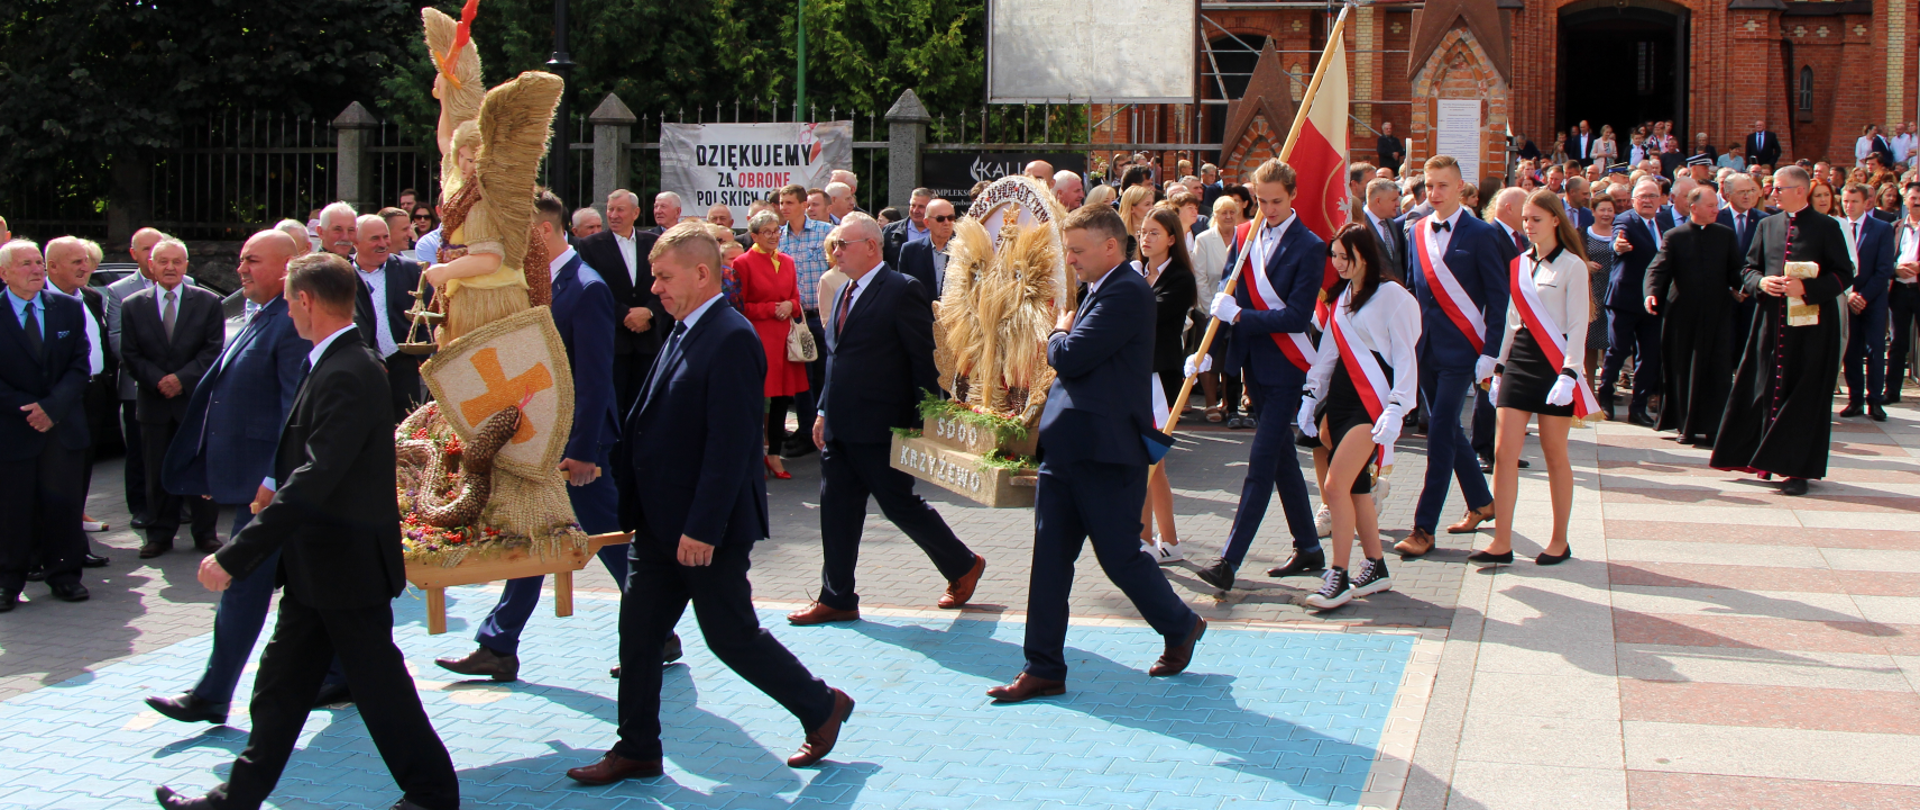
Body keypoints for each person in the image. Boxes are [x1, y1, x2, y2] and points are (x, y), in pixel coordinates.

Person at [156, 253, 460, 810]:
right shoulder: (332, 361)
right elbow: (310, 458)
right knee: (280, 688)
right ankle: (236, 798)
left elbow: (319, 475)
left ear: (306, 301)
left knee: (379, 688)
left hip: (344, 567)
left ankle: (433, 793)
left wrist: (236, 553)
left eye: (290, 299)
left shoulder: (350, 369)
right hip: (318, 568)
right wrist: (273, 481)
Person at [569, 224, 854, 785]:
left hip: (704, 529)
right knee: (639, 633)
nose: (654, 289)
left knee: (730, 635)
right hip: (658, 526)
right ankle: (637, 749)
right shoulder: (683, 329)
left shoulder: (729, 337)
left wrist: (701, 528)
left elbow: (731, 447)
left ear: (702, 274)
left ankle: (821, 706)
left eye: (664, 277)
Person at [985, 205, 1204, 704]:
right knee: (1050, 562)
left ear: (1111, 246)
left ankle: (1181, 624)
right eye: (1069, 249)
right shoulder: (1100, 288)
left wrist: (1057, 332)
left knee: (1120, 557)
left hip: (1107, 453)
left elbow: (1072, 356)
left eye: (1078, 250)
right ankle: (1042, 667)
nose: (1071, 259)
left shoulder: (1127, 292)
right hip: (1067, 448)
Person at [146, 229, 353, 723]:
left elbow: (293, 411)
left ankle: (214, 694)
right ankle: (341, 672)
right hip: (266, 487)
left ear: (288, 268)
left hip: (274, 490)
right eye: (239, 259)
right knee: (312, 590)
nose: (240, 269)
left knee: (244, 584)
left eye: (252, 261)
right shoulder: (260, 314)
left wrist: (269, 479)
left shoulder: (292, 323)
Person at [786, 213, 985, 626]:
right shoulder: (843, 291)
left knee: (899, 505)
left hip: (882, 425)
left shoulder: (900, 289)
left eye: (844, 244)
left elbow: (923, 361)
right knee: (836, 509)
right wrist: (822, 410)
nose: (835, 251)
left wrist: (920, 420)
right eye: (835, 245)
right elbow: (837, 361)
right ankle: (837, 596)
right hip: (841, 425)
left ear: (872, 247)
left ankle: (963, 565)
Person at [1196, 159, 1328, 590]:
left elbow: (1295, 316)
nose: (1268, 208)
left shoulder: (1309, 245)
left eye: (1277, 201)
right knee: (1283, 460)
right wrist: (1218, 316)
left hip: (1288, 365)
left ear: (1292, 195)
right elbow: (1229, 287)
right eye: (1262, 200)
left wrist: (1242, 317)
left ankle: (1228, 561)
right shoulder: (1248, 233)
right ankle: (1308, 547)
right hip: (1253, 363)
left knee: (1260, 463)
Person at [1294, 224, 1418, 609]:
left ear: (1364, 254)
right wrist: (1310, 396)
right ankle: (1376, 566)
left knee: (1334, 487)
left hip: (1374, 402)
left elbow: (1406, 358)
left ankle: (1339, 575)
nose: (1338, 264)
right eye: (1334, 256)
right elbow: (1328, 353)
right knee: (1356, 489)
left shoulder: (1393, 296)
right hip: (1343, 400)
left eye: (1344, 257)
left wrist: (1398, 408)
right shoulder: (1342, 297)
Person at [1710, 166, 1854, 496]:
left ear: (1800, 191)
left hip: (1812, 329)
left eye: (1780, 188)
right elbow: (1747, 268)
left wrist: (1806, 287)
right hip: (1771, 322)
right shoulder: (1767, 225)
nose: (1773, 193)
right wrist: (1761, 281)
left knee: (1802, 397)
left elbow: (1844, 275)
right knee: (1762, 387)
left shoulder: (1827, 227)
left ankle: (1796, 469)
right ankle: (1760, 459)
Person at [1392, 155, 1508, 559]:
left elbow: (1499, 297)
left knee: (1440, 431)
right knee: (1449, 430)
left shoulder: (1481, 234)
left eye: (1443, 185)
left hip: (1465, 351)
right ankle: (1481, 501)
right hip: (1426, 350)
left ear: (1460, 188)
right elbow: (1411, 291)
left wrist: (1491, 354)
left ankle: (1424, 528)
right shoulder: (1416, 231)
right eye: (1429, 185)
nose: (1434, 193)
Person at [1476, 190, 1596, 567]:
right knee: (1503, 453)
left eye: (1536, 219)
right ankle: (1502, 541)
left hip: (1554, 363)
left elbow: (1578, 325)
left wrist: (1570, 374)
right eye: (1525, 219)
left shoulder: (1573, 266)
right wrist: (1498, 367)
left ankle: (1560, 540)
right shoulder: (1519, 263)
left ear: (1556, 220)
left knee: (1554, 453)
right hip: (1521, 360)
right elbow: (1513, 322)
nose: (1529, 226)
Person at [0, 240, 93, 610]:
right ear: (4, 273)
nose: (36, 269)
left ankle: (65, 576)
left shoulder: (68, 308)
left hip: (60, 427)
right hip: (12, 428)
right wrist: (29, 409)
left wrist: (52, 408)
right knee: (12, 510)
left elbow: (79, 364)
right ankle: (8, 581)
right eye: (25, 264)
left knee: (63, 505)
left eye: (39, 262)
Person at [120, 238, 224, 558]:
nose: (170, 267)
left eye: (177, 262)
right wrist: (157, 381)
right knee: (156, 471)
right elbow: (130, 354)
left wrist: (182, 379)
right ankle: (160, 534)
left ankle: (205, 532)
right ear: (151, 265)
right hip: (153, 403)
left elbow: (213, 350)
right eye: (163, 261)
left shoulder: (207, 302)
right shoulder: (133, 305)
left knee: (199, 467)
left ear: (186, 266)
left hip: (192, 401)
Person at [1644, 186, 1744, 444]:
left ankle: (1713, 427)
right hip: (1682, 316)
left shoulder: (1725, 235)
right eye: (1710, 205)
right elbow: (1658, 269)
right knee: (1684, 369)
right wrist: (1651, 293)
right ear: (1694, 207)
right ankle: (1685, 426)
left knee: (1716, 371)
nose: (1716, 209)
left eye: (1716, 205)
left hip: (1717, 314)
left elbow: (1736, 270)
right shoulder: (1674, 235)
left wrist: (1745, 287)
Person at [42, 237, 114, 550]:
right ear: (52, 266)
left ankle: (74, 542)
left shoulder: (91, 297)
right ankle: (44, 547)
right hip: (57, 398)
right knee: (53, 473)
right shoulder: (36, 299)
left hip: (94, 392)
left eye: (86, 261)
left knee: (84, 467)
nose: (85, 268)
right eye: (76, 262)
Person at [1134, 206, 1197, 563]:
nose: (1146, 238)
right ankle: (1154, 540)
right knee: (1142, 460)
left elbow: (1149, 314)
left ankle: (1162, 540)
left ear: (1172, 239)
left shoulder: (1180, 279)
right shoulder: (1137, 272)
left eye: (1154, 232)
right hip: (1136, 374)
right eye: (1143, 232)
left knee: (1151, 462)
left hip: (1161, 377)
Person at [729, 210, 809, 480]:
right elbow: (741, 306)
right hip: (760, 338)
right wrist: (770, 308)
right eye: (768, 232)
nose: (774, 236)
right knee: (756, 398)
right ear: (754, 235)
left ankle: (774, 453)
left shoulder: (787, 261)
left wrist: (790, 305)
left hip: (785, 340)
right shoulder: (743, 263)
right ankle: (752, 454)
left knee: (781, 400)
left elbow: (796, 299)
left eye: (777, 231)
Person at [576, 190, 668, 421]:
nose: (613, 215)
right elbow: (592, 290)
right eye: (610, 209)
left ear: (635, 213)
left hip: (648, 343)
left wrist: (649, 312)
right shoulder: (590, 246)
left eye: (620, 209)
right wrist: (625, 315)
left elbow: (666, 282)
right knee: (613, 412)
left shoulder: (654, 243)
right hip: (613, 343)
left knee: (644, 412)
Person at [103, 227, 169, 529]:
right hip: (138, 385)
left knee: (174, 445)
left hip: (179, 385)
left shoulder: (190, 285)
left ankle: (174, 504)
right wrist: (154, 375)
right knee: (140, 452)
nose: (154, 255)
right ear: (134, 254)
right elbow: (117, 340)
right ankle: (141, 507)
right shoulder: (119, 290)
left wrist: (177, 376)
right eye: (146, 249)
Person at [348, 214, 429, 424]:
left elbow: (429, 314)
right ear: (355, 241)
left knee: (405, 428)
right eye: (375, 238)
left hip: (402, 365)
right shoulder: (342, 274)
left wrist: (422, 356)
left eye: (385, 237)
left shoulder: (411, 270)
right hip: (360, 367)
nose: (383, 244)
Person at [1601, 180, 1670, 425]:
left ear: (1661, 198)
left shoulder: (1666, 222)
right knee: (1618, 350)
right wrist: (1617, 247)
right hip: (1626, 298)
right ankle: (1605, 396)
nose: (1648, 200)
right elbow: (1617, 241)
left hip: (1654, 301)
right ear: (1633, 200)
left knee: (1649, 355)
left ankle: (1638, 408)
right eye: (1643, 197)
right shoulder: (1626, 220)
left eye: (1653, 195)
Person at [775, 184, 834, 458]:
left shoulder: (824, 233)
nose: (784, 207)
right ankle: (807, 431)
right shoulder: (779, 240)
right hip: (796, 320)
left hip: (823, 317)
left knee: (828, 373)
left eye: (789, 202)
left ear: (802, 205)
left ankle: (830, 427)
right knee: (802, 381)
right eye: (781, 202)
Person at [1838, 182, 1897, 421]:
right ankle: (1855, 399)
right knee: (1851, 350)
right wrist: (1849, 293)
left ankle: (1875, 400)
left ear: (1866, 203)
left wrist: (1863, 296)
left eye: (1854, 202)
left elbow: (1884, 269)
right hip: (1846, 296)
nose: (1849, 206)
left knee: (1874, 350)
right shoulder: (1837, 227)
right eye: (1845, 201)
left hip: (1872, 299)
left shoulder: (1882, 229)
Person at [1889, 182, 1920, 403]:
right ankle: (1891, 391)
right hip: (1899, 289)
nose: (1917, 203)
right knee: (1898, 342)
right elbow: (1883, 260)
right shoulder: (1895, 227)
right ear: (1905, 200)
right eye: (1913, 198)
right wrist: (1895, 269)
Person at [1582, 195, 1619, 379]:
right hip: (1592, 294)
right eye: (1602, 209)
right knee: (1590, 343)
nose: (1606, 214)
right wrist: (1585, 265)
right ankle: (1590, 387)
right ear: (1593, 211)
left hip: (1615, 292)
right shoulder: (1582, 233)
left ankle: (1608, 383)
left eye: (1610, 210)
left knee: (1613, 342)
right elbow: (1572, 258)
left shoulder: (1621, 233)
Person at [897, 198, 956, 298]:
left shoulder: (963, 250)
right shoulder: (910, 250)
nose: (946, 223)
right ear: (927, 222)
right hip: (920, 311)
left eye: (950, 218)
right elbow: (903, 289)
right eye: (940, 219)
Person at [881, 187, 933, 265]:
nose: (915, 211)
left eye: (921, 207)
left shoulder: (942, 232)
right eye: (913, 205)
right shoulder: (890, 231)